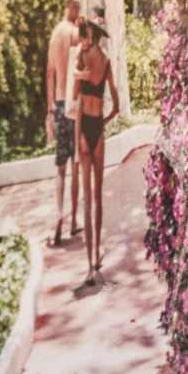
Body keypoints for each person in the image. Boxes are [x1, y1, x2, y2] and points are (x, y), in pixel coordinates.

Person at [74, 18, 119, 286]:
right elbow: (116, 106)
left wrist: (79, 132)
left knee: (87, 200)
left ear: (92, 33)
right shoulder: (107, 62)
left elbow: (77, 97)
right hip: (98, 129)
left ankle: (90, 266)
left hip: (83, 131)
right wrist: (104, 121)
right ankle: (99, 251)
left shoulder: (82, 57)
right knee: (97, 197)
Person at [43, 0, 82, 246]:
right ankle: (74, 220)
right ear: (74, 7)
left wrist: (49, 108)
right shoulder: (75, 33)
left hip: (58, 104)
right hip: (74, 105)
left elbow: (49, 73)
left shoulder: (55, 33)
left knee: (60, 167)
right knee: (76, 164)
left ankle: (58, 213)